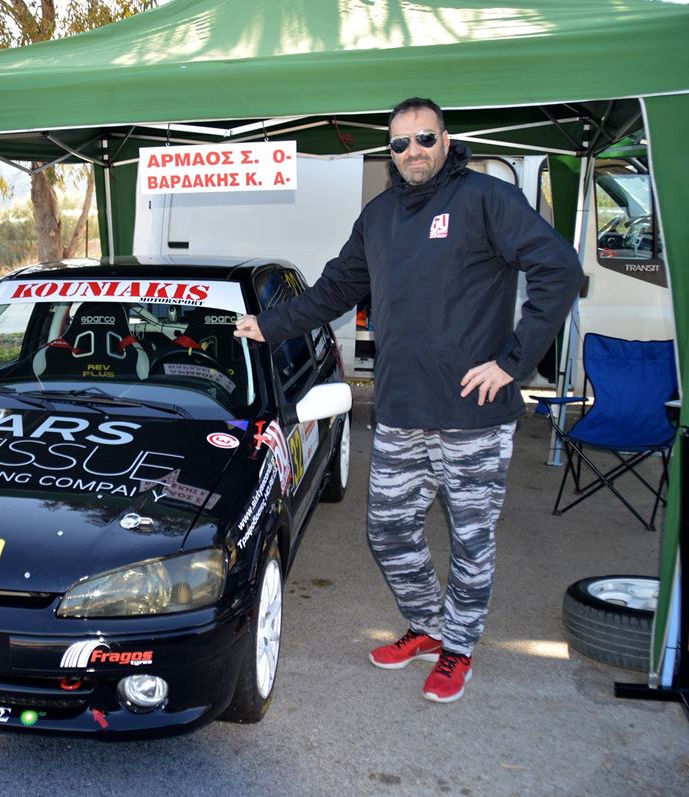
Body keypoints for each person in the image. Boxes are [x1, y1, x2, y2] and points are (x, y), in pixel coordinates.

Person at [234, 98, 582, 703]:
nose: (412, 151)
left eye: (423, 138)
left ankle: (459, 649)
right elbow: (335, 289)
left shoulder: (486, 199)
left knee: (470, 540)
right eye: (399, 143)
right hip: (401, 410)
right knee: (388, 530)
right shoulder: (379, 216)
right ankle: (429, 625)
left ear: (444, 139)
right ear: (390, 152)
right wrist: (270, 324)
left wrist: (512, 361)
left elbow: (560, 268)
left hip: (473, 415)